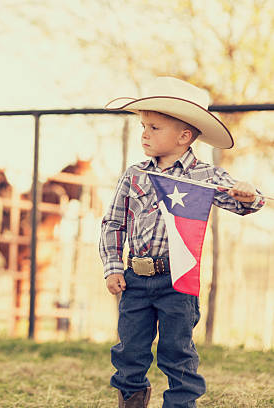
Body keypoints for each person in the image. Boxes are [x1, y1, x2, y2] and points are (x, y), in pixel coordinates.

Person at [100, 76, 265, 408]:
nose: (144, 133)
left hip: (178, 280)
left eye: (155, 127)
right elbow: (113, 223)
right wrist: (113, 267)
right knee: (129, 350)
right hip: (135, 279)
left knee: (177, 352)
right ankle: (130, 400)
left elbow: (244, 202)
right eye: (143, 126)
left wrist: (249, 194)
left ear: (184, 136)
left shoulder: (204, 176)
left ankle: (180, 404)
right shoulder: (135, 174)